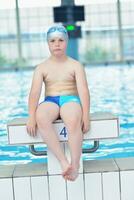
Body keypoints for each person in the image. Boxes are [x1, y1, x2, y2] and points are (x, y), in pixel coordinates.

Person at [26, 25, 90, 181]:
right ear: (48, 44)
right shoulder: (41, 68)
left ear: (66, 42)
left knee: (73, 118)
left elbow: (83, 91)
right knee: (41, 117)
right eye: (53, 41)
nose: (57, 44)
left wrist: (86, 116)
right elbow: (34, 93)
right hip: (51, 100)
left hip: (71, 99)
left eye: (61, 40)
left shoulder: (75, 65)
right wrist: (31, 116)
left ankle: (75, 165)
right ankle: (63, 162)